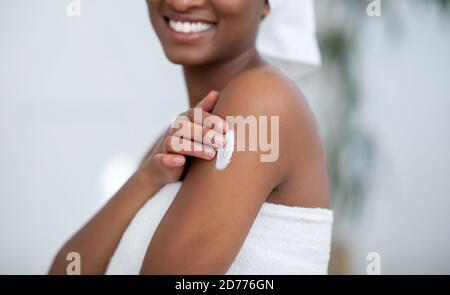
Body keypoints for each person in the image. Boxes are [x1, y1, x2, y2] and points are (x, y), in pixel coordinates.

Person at [49, 0, 333, 275]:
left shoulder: (263, 101)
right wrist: (146, 178)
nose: (182, 3)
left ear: (268, 3)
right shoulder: (169, 143)